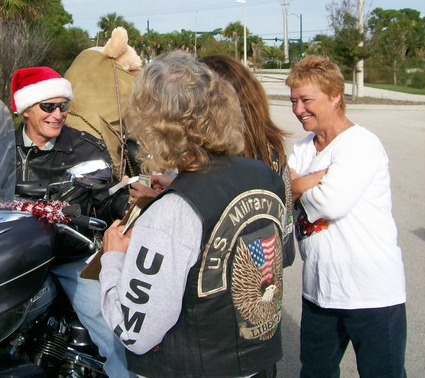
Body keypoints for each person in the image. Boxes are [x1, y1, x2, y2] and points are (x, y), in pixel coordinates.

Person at [99, 51, 287, 377]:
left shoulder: (171, 213)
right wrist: (176, 187)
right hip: (257, 363)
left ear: (153, 123)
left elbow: (134, 332)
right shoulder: (263, 175)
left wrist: (113, 258)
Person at [285, 55, 407, 378]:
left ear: (335, 96)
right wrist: (311, 180)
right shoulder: (303, 147)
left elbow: (331, 203)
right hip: (319, 292)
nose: (298, 109)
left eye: (306, 100)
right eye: (293, 101)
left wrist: (297, 185)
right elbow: (281, 190)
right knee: (315, 372)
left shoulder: (360, 144)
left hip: (371, 293)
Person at [10, 66, 134, 377]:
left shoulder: (84, 148)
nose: (58, 114)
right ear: (26, 110)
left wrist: (128, 203)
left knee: (111, 327)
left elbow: (107, 199)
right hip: (10, 255)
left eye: (63, 106)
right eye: (48, 106)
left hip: (67, 254)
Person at [128, 54, 295, 268]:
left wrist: (168, 203)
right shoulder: (267, 161)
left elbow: (209, 222)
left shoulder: (227, 164)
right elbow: (282, 246)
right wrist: (179, 188)